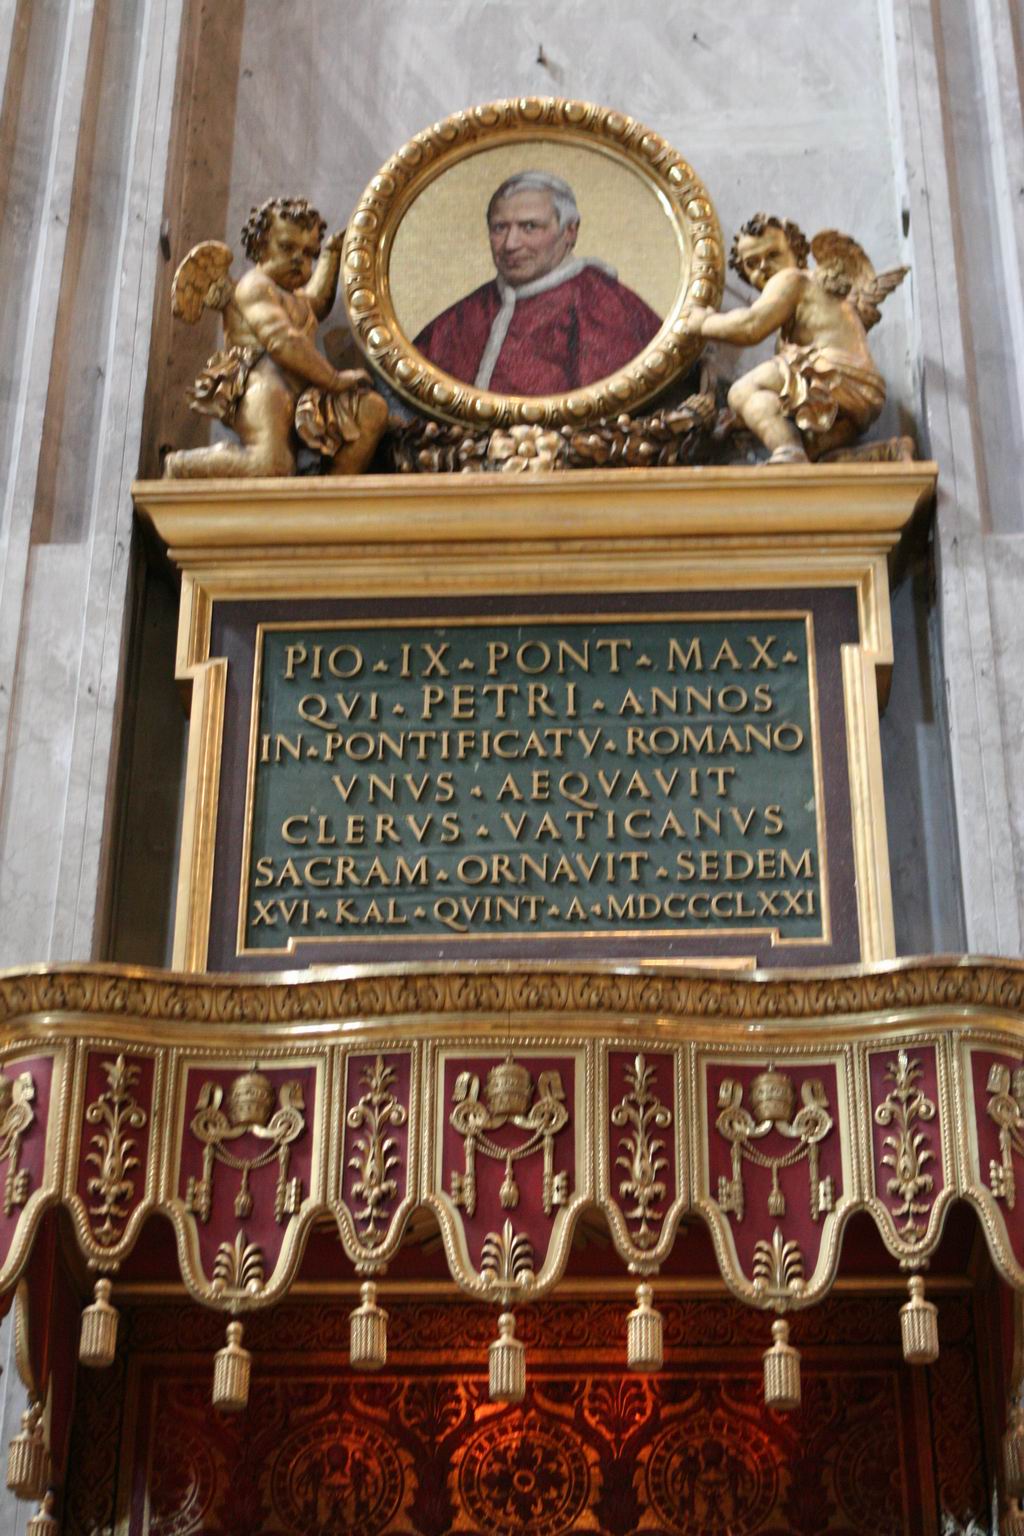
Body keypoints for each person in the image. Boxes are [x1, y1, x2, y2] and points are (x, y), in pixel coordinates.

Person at [165, 197, 388, 478]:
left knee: (371, 410)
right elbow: (283, 341)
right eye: (286, 247)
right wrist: (333, 379)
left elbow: (318, 301)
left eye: (308, 253)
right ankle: (182, 466)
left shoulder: (295, 297)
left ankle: (326, 496)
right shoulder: (254, 287)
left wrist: (332, 252)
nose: (298, 259)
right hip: (262, 385)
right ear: (260, 245)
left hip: (301, 387)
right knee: (272, 464)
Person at [413, 171, 662, 395]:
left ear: (570, 231)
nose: (510, 244)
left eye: (529, 227)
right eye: (500, 228)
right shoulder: (464, 314)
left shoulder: (606, 304)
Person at [680, 213, 897, 463]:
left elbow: (750, 326)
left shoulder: (793, 279)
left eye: (773, 255)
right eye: (752, 263)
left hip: (836, 373)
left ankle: (788, 451)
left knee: (742, 391)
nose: (763, 266)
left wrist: (703, 322)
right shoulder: (798, 318)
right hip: (861, 390)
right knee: (816, 458)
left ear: (797, 254)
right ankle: (890, 451)